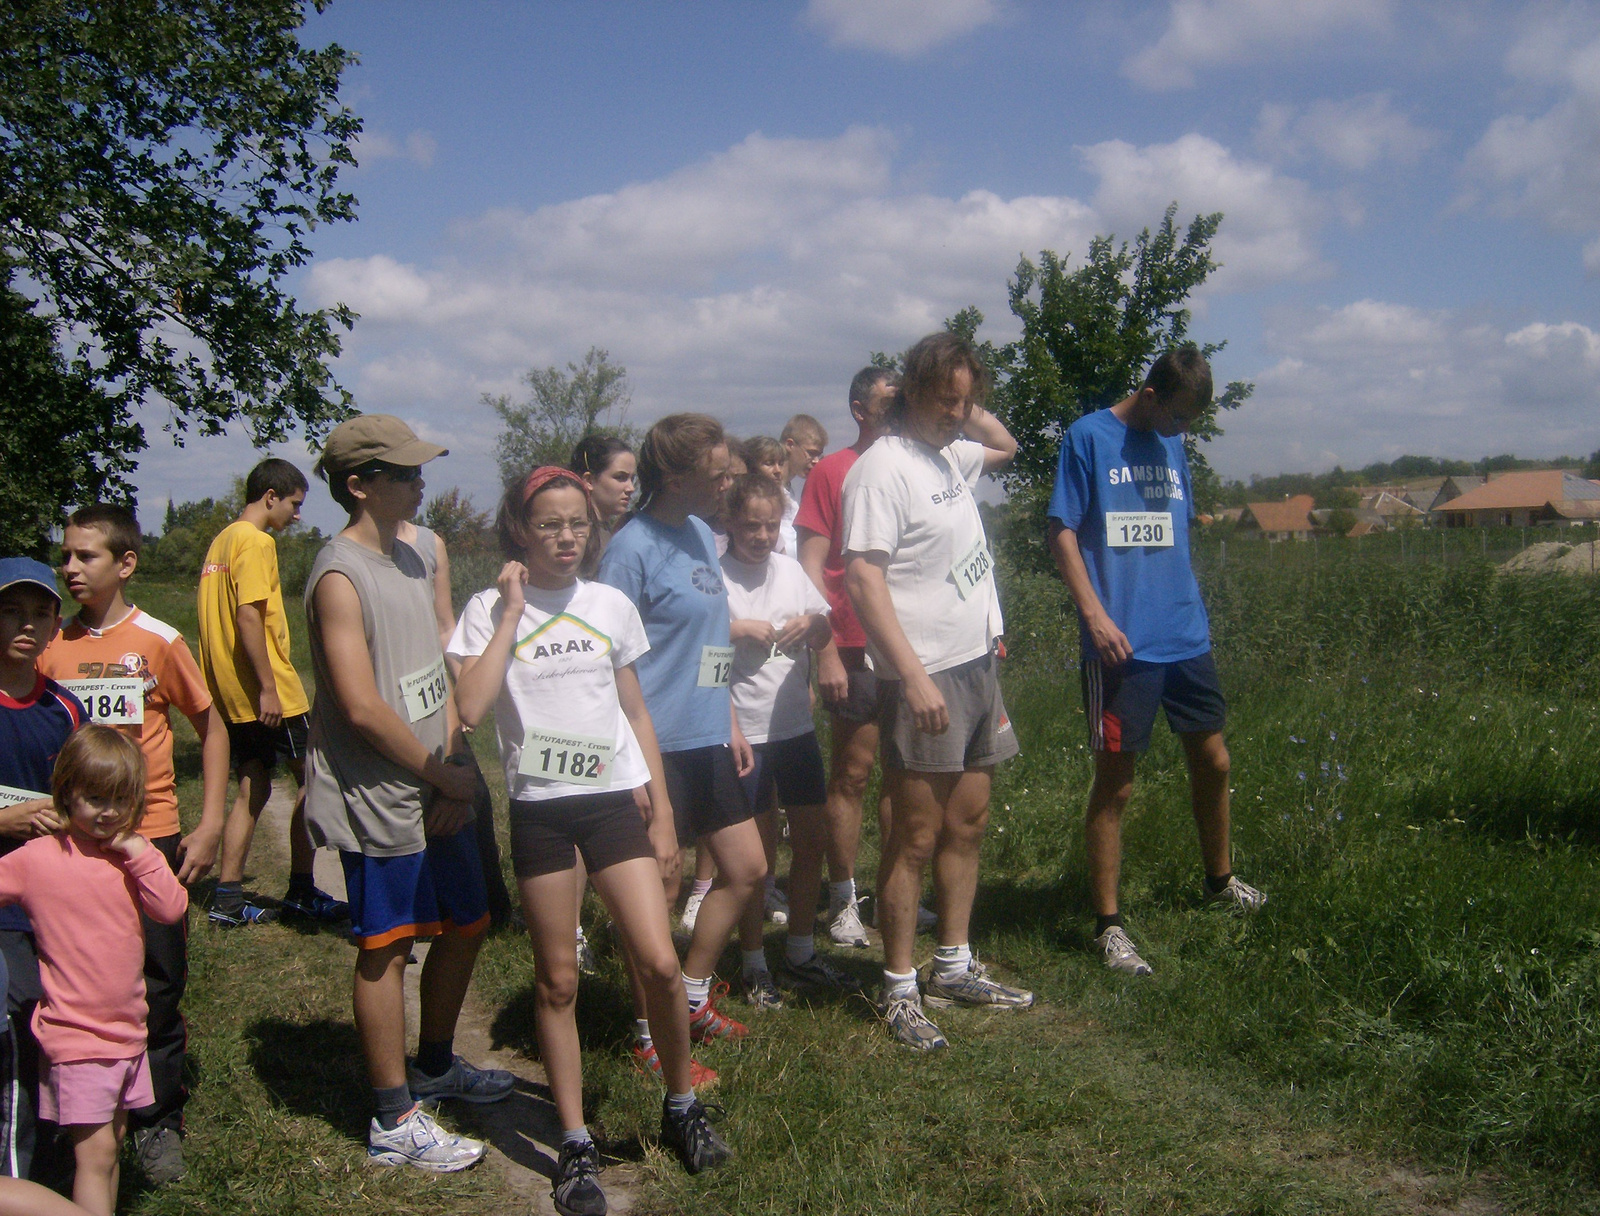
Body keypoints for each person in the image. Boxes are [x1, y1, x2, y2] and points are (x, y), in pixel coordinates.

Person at [451, 467, 730, 1205]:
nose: (566, 537)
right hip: (542, 808)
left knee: (661, 963)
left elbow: (636, 712)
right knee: (558, 979)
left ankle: (681, 1107)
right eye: (549, 524)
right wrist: (512, 613)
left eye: (577, 523)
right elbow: (469, 709)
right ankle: (574, 1142)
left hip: (614, 803)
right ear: (520, 529)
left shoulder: (608, 603)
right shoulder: (485, 609)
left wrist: (663, 813)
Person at [303, 415, 513, 1173]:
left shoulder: (418, 553)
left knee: (468, 920)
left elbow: (433, 662)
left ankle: (433, 1064)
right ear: (360, 485)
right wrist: (435, 775)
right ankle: (394, 1117)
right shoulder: (339, 575)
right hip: (380, 794)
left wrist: (455, 760)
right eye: (405, 473)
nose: (422, 483)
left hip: (437, 777)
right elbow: (360, 706)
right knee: (386, 947)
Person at [841, 331, 1033, 1051]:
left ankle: (953, 963)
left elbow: (1006, 445)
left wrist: (966, 406)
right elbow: (864, 578)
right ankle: (897, 988)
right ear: (910, 393)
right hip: (925, 673)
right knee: (914, 836)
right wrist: (913, 675)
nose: (958, 412)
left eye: (965, 399)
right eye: (943, 398)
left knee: (969, 822)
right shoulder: (881, 469)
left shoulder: (949, 453)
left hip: (980, 661)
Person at [1046, 347, 1265, 978]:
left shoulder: (1172, 444)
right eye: (1178, 417)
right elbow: (1062, 528)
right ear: (1148, 394)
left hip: (1184, 632)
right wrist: (1093, 613)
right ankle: (1108, 926)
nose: (1184, 431)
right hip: (1120, 643)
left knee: (1213, 757)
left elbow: (1174, 527)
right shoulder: (1088, 437)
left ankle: (1219, 882)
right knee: (1117, 782)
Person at [39, 505, 227, 1185]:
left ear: (125, 564)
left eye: (85, 556)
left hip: (149, 837)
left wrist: (208, 825)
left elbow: (211, 726)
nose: (70, 569)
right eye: (65, 556)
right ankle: (72, 1118)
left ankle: (155, 1122)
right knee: (68, 983)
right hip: (69, 846)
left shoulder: (158, 641)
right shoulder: (50, 647)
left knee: (157, 982)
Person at [598, 414, 764, 1042]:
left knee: (747, 869)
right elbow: (608, 660)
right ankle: (647, 1030)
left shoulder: (700, 531)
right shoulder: (630, 548)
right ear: (672, 476)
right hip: (653, 745)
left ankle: (690, 994)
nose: (727, 484)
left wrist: (729, 719)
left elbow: (711, 638)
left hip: (709, 735)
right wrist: (626, 761)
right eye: (716, 475)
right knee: (660, 896)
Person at [0, 725, 188, 1216]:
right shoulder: (39, 857)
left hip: (127, 1030)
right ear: (66, 794)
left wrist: (142, 853)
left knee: (114, 1146)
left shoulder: (131, 858)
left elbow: (171, 909)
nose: (107, 812)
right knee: (96, 1154)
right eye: (94, 798)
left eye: (120, 800)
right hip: (77, 1035)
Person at [795, 368, 933, 947]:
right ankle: (843, 897)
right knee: (851, 773)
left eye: (904, 398)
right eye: (887, 400)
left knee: (904, 780)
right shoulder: (833, 470)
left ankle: (890, 893)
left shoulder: (922, 464)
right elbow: (809, 566)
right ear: (858, 409)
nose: (898, 407)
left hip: (912, 645)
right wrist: (823, 648)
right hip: (851, 645)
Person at [720, 474, 857, 1007]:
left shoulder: (790, 570)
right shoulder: (716, 576)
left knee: (811, 840)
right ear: (730, 522)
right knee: (756, 857)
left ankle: (800, 951)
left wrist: (810, 626)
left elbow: (825, 630)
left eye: (770, 524)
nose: (760, 534)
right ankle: (753, 962)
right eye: (750, 524)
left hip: (794, 727)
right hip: (744, 731)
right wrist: (736, 631)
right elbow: (692, 642)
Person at [196, 458, 342, 926]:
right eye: (295, 504)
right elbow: (247, 616)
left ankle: (227, 896)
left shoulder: (221, 540)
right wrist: (268, 688)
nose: (297, 515)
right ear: (271, 496)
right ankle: (302, 890)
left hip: (230, 692)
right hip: (269, 689)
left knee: (252, 785)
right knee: (313, 781)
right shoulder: (257, 542)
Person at [0, 558, 86, 1182]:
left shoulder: (67, 709)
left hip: (56, 912)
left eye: (39, 614)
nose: (25, 626)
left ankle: (52, 1162)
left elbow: (94, 797)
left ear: (56, 625)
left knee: (50, 1034)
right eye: (10, 611)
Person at [397, 516, 515, 932]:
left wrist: (465, 688)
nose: (418, 482)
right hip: (392, 692)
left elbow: (446, 625)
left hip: (433, 689)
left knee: (472, 796)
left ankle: (490, 908)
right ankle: (416, 913)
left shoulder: (431, 543)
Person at [570, 436, 637, 581]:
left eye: (632, 479)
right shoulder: (578, 537)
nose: (631, 488)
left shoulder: (607, 532)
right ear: (589, 480)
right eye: (620, 477)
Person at [777, 415, 827, 557]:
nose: (816, 461)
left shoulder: (789, 491)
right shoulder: (767, 490)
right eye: (811, 453)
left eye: (819, 456)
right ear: (790, 445)